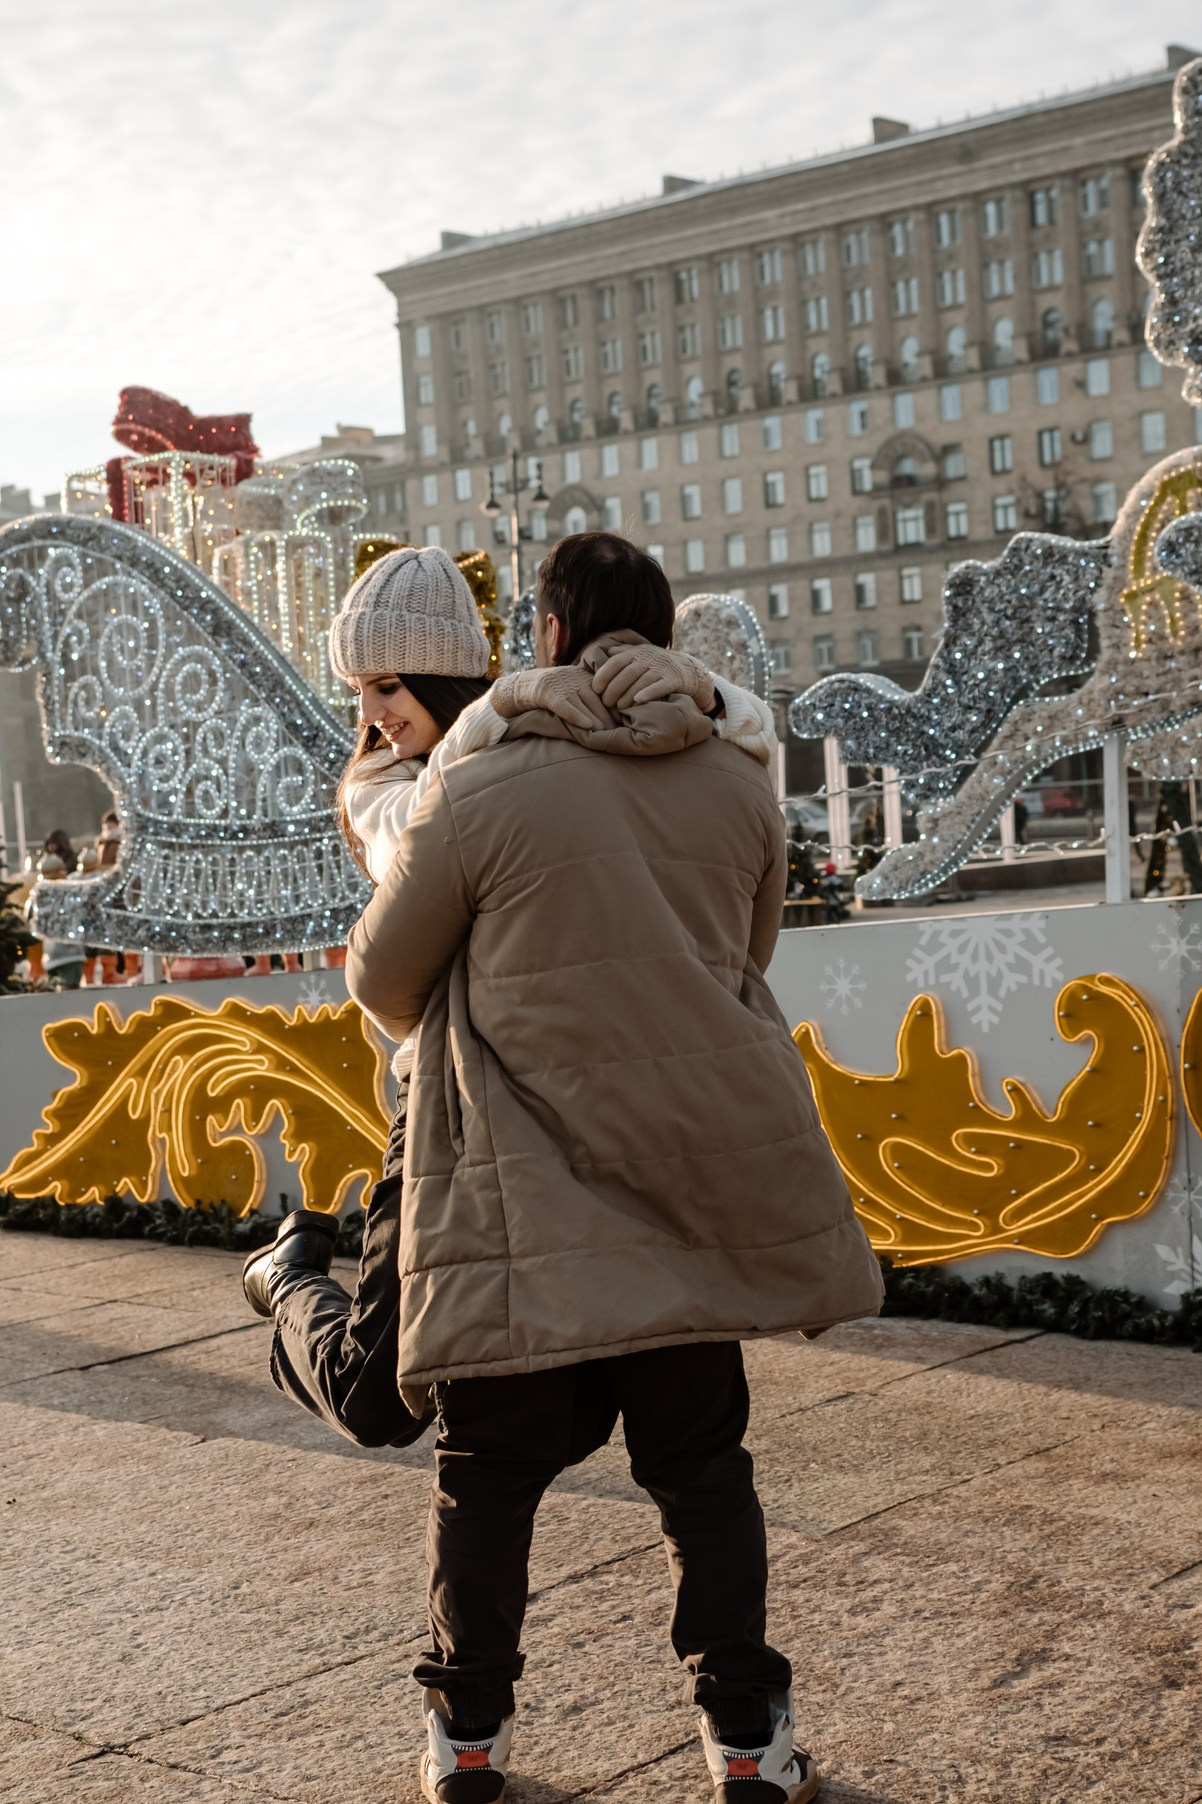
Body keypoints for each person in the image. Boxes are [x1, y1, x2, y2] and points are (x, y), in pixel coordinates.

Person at [341, 533, 883, 1803]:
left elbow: (381, 976)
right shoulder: (741, 783)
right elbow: (742, 957)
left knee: (488, 1476)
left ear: (546, 635)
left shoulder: (477, 790)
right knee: (702, 1473)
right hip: (690, 1181)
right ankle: (746, 1741)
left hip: (522, 1190)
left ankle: (467, 1741)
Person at [242, 545, 774, 1452]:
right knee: (376, 1397)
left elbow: (716, 763)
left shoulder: (520, 737)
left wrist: (715, 699)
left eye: (386, 687)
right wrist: (498, 710)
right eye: (361, 691)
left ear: (436, 677)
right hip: (441, 1104)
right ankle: (285, 1276)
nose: (368, 715)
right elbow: (438, 834)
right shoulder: (382, 783)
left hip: (543, 1100)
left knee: (558, 1416)